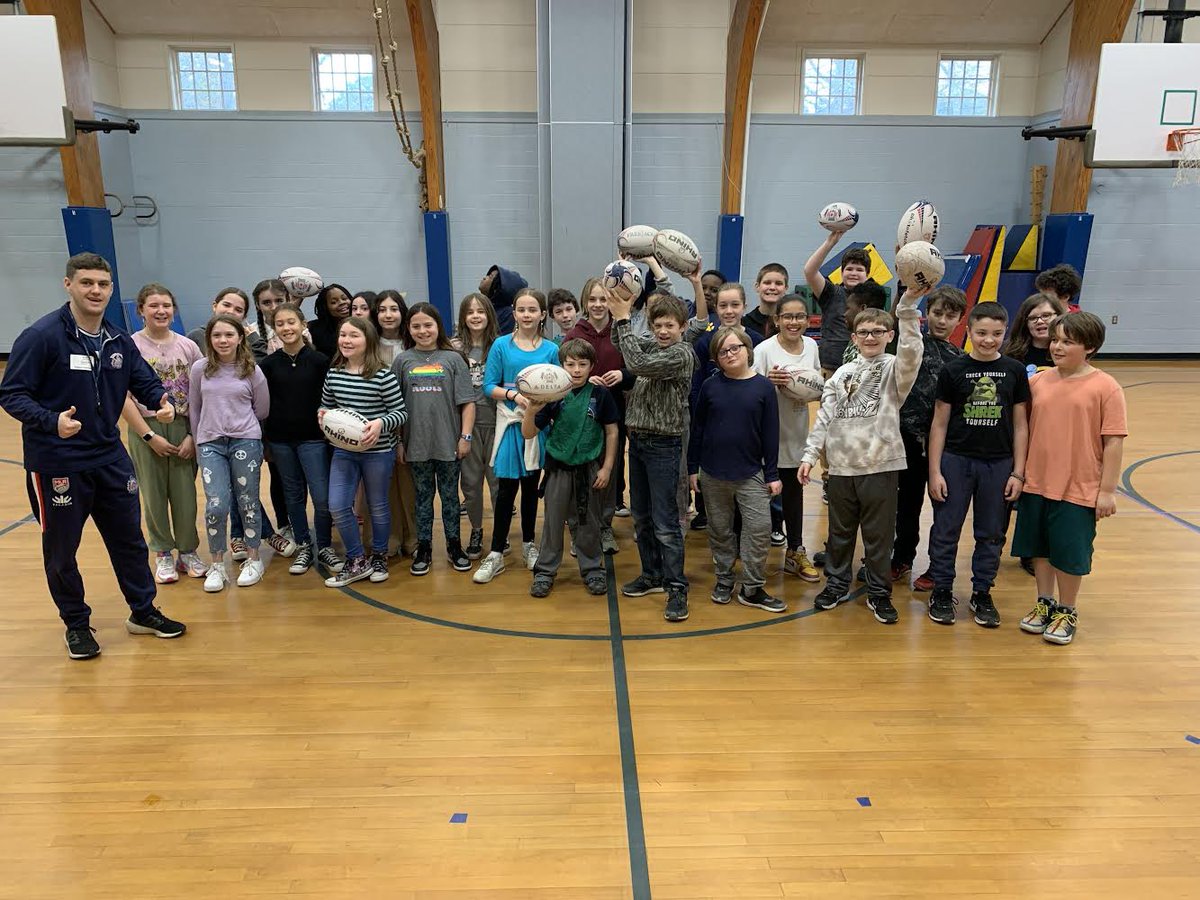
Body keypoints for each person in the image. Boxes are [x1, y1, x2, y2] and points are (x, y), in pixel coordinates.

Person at [0, 253, 186, 660]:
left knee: (129, 541)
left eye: (103, 284)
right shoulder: (42, 336)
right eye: (87, 283)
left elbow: (143, 379)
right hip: (57, 463)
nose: (95, 291)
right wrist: (51, 422)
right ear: (69, 285)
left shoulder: (118, 339)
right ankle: (77, 625)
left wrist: (162, 400)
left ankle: (142, 611)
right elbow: (11, 394)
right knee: (62, 550)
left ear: (111, 288)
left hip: (109, 458)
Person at [799, 288, 925, 625]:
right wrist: (811, 454)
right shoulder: (840, 374)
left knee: (878, 535)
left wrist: (908, 308)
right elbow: (824, 416)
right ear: (854, 336)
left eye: (878, 332)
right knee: (840, 534)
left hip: (880, 464)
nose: (871, 337)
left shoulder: (896, 369)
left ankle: (879, 592)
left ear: (889, 335)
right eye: (864, 332)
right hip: (841, 467)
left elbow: (913, 352)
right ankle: (837, 583)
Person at [1012, 312, 1126, 646]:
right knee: (1040, 547)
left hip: (1079, 487)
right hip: (1037, 481)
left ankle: (1067, 608)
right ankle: (1044, 602)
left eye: (1067, 341)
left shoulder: (1106, 387)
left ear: (1089, 347)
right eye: (1056, 339)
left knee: (1069, 552)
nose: (1057, 346)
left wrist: (1106, 491)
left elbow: (1114, 441)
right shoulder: (1039, 382)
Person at [925, 302, 1030, 628]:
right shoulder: (953, 370)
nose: (988, 340)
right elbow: (939, 423)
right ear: (968, 332)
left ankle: (982, 592)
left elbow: (1021, 424)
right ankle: (942, 590)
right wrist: (935, 471)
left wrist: (1018, 472)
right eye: (982, 333)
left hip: (998, 464)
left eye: (996, 334)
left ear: (1005, 333)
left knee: (991, 533)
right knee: (946, 530)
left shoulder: (1013, 370)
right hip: (956, 461)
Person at [610, 290, 707, 622]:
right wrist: (619, 308)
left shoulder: (681, 354)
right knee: (641, 516)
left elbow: (635, 362)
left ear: (682, 327)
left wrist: (624, 317)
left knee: (666, 523)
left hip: (664, 445)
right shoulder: (653, 344)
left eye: (669, 325)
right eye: (658, 326)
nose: (663, 332)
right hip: (637, 442)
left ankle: (676, 587)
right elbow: (621, 344)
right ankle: (652, 574)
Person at [690, 327, 785, 613]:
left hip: (751, 473)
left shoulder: (764, 388)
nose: (730, 354)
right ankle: (723, 579)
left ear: (747, 349)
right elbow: (698, 429)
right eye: (723, 351)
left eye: (735, 348)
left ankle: (752, 587)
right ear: (716, 359)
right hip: (713, 473)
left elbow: (770, 433)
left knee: (758, 529)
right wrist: (692, 468)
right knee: (720, 530)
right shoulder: (710, 386)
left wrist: (772, 474)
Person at [119, 283, 207, 584]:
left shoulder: (188, 347)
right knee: (153, 494)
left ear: (174, 309)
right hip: (146, 427)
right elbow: (123, 398)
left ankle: (187, 551)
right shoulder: (128, 346)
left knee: (185, 494)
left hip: (183, 425)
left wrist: (192, 436)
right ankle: (163, 553)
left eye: (166, 305)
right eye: (153, 305)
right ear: (140, 310)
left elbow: (199, 395)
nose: (161, 310)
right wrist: (148, 436)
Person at [473, 289, 561, 583]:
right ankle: (496, 552)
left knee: (530, 488)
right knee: (505, 491)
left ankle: (528, 545)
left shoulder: (550, 349)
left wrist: (536, 404)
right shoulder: (500, 345)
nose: (526, 314)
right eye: (521, 309)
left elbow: (557, 386)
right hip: (509, 423)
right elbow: (489, 386)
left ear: (542, 315)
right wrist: (515, 395)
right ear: (514, 313)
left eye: (532, 309)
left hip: (536, 426)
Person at [523, 338, 618, 598]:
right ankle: (545, 571)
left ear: (592, 366)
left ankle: (591, 569)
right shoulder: (552, 396)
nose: (576, 369)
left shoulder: (600, 394)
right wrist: (531, 410)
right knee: (553, 522)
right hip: (558, 469)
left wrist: (607, 467)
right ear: (561, 365)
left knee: (589, 521)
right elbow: (529, 433)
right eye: (570, 364)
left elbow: (611, 432)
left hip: (589, 468)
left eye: (582, 364)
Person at [320, 316, 408, 587]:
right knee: (337, 504)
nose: (346, 340)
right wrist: (323, 416)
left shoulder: (383, 375)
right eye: (343, 335)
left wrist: (381, 423)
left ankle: (379, 555)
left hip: (377, 451)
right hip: (343, 452)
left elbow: (401, 413)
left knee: (377, 506)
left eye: (353, 335)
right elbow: (326, 407)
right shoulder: (334, 373)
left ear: (367, 340)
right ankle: (357, 559)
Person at [189, 314, 272, 591]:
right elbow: (195, 408)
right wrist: (200, 443)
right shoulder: (200, 369)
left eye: (229, 335)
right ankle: (217, 564)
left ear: (240, 338)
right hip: (211, 443)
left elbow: (262, 410)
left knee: (247, 500)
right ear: (209, 339)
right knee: (216, 503)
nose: (223, 340)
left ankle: (253, 558)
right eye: (217, 335)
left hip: (244, 441)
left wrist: (241, 426)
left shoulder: (251, 370)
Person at [394, 302, 475, 576]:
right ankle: (424, 548)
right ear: (409, 329)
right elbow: (395, 407)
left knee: (451, 498)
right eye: (416, 326)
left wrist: (465, 437)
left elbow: (467, 403)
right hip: (416, 446)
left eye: (427, 325)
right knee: (422, 499)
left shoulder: (453, 359)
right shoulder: (403, 360)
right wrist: (400, 442)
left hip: (449, 444)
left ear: (438, 326)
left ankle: (454, 546)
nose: (422, 330)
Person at [259, 303, 338, 577]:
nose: (286, 328)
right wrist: (266, 441)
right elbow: (263, 406)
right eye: (280, 324)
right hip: (281, 442)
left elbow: (331, 403)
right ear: (274, 328)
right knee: (293, 495)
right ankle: (304, 544)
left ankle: (325, 545)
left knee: (321, 496)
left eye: (291, 322)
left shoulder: (320, 361)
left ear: (303, 324)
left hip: (314, 440)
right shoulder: (267, 365)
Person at [894, 286, 965, 589]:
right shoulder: (912, 345)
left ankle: (938, 567)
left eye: (950, 316)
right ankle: (901, 558)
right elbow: (903, 317)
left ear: (960, 319)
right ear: (927, 314)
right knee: (906, 505)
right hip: (906, 440)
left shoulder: (961, 360)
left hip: (944, 445)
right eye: (937, 313)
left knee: (943, 506)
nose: (942, 321)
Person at [752, 294, 823, 582]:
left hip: (795, 432)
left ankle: (795, 550)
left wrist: (807, 388)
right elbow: (750, 389)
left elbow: (816, 387)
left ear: (807, 320)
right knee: (758, 498)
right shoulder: (764, 350)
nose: (794, 322)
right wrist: (768, 383)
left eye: (800, 316)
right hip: (764, 436)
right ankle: (752, 554)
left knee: (794, 496)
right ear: (777, 320)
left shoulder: (812, 346)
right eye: (788, 316)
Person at [688, 281, 765, 532]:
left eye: (735, 305)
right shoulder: (705, 342)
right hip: (713, 421)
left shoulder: (756, 341)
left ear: (744, 306)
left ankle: (745, 523)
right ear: (716, 308)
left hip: (747, 425)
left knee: (746, 479)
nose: (729, 311)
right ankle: (705, 513)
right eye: (723, 305)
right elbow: (697, 385)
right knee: (710, 471)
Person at [567, 277, 632, 540]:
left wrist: (621, 374)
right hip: (583, 414)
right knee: (582, 471)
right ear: (584, 302)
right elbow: (565, 373)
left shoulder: (621, 331)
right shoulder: (575, 334)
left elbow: (637, 368)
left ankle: (605, 526)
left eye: (603, 299)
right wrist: (583, 380)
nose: (597, 304)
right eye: (592, 299)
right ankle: (580, 528)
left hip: (615, 410)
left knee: (610, 468)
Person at [454, 292, 501, 560]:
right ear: (463, 317)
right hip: (466, 428)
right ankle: (476, 529)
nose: (475, 316)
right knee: (470, 486)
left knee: (497, 484)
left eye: (480, 311)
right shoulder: (454, 348)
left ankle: (500, 532)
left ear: (489, 315)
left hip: (496, 425)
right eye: (470, 312)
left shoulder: (500, 345)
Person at [804, 236, 870, 376]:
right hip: (830, 368)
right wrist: (830, 241)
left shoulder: (873, 297)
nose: (853, 273)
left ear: (867, 275)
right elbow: (809, 271)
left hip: (863, 369)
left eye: (859, 270)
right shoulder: (831, 292)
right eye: (849, 269)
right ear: (841, 273)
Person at [188, 287, 268, 361]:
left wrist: (255, 341)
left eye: (238, 310)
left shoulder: (250, 340)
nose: (230, 311)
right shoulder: (196, 336)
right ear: (215, 306)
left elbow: (262, 369)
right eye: (226, 305)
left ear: (244, 317)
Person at [1003, 293, 1068, 377]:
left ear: (1059, 316)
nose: (1040, 321)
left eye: (1046, 315)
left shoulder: (1069, 352)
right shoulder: (1008, 352)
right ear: (1025, 323)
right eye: (1033, 318)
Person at [839, 280, 890, 365]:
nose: (844, 314)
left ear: (863, 309)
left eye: (848, 308)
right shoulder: (855, 338)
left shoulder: (882, 343)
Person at [479, 264, 528, 335]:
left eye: (490, 277)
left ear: (496, 288)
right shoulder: (483, 304)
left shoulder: (507, 314)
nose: (484, 278)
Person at [741, 263, 788, 337]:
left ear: (786, 288)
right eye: (767, 283)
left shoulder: (789, 323)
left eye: (778, 283)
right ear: (757, 286)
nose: (772, 287)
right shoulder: (744, 323)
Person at [309, 282, 352, 358]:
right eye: (334, 302)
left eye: (344, 298)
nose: (341, 303)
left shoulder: (364, 324)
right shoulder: (313, 329)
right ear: (325, 308)